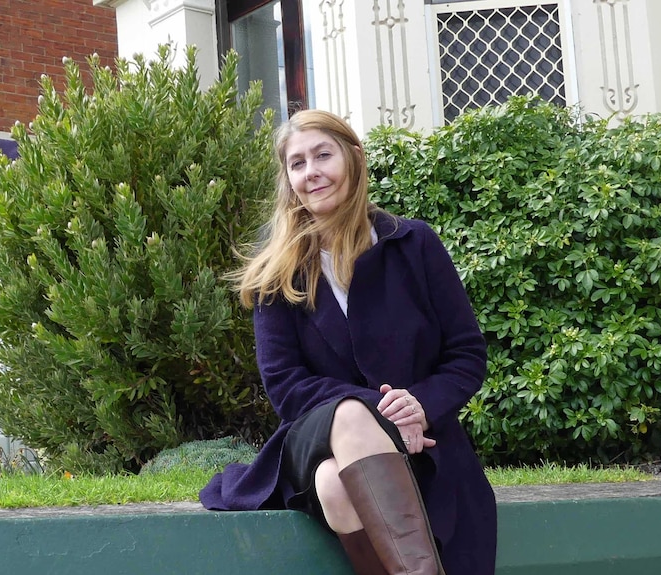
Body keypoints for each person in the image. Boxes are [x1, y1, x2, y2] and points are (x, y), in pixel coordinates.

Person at [199, 109, 497, 574]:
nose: (311, 171)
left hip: (420, 443)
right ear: (289, 179)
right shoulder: (276, 269)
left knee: (335, 486)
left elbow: (466, 355)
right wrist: (379, 410)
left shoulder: (413, 244)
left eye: (323, 155)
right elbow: (285, 385)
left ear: (354, 159)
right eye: (297, 163)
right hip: (313, 435)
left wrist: (416, 405)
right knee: (349, 417)